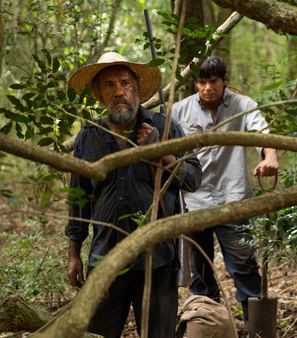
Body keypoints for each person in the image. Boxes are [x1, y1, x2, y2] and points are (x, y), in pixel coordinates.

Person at [65, 52, 202, 338]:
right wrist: (74, 255)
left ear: (136, 88)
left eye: (125, 83)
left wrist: (161, 150)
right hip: (105, 261)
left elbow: (193, 179)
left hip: (158, 260)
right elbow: (78, 201)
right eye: (109, 85)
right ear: (97, 94)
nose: (119, 92)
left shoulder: (165, 127)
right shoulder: (89, 137)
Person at [171, 55, 279, 328]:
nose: (208, 87)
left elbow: (262, 132)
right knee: (201, 275)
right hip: (195, 201)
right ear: (196, 83)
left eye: (214, 81)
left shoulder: (243, 105)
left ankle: (257, 331)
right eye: (203, 81)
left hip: (234, 198)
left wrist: (269, 157)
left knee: (244, 266)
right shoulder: (179, 111)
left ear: (224, 81)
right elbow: (162, 145)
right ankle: (212, 329)